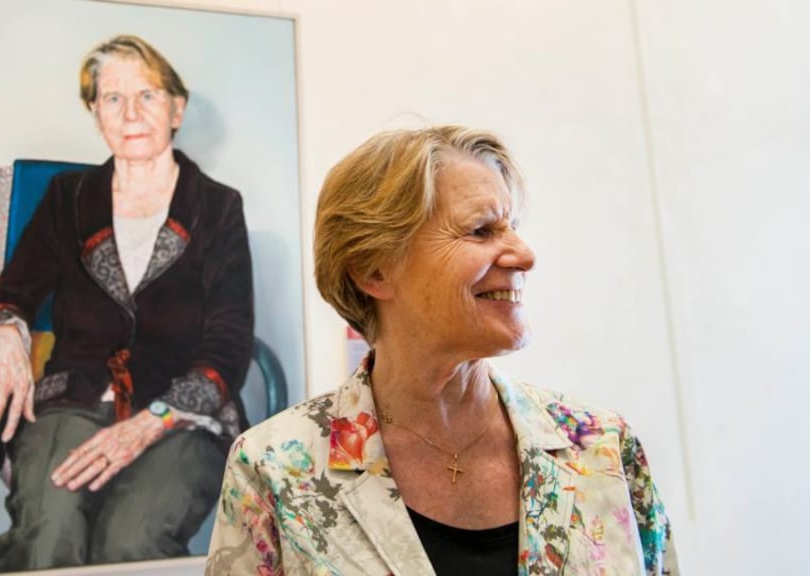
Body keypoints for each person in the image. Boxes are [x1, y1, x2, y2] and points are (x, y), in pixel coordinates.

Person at [206, 126, 679, 575]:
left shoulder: (601, 448)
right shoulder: (275, 469)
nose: (525, 255)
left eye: (512, 226)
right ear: (374, 271)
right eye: (480, 231)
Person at [0, 34, 254, 571]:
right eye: (112, 98)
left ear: (177, 108)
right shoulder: (67, 198)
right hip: (71, 401)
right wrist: (7, 332)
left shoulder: (218, 208)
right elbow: (11, 294)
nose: (131, 113)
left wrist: (151, 421)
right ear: (94, 112)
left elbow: (229, 341)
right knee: (48, 538)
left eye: (147, 96)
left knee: (132, 546)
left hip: (180, 416)